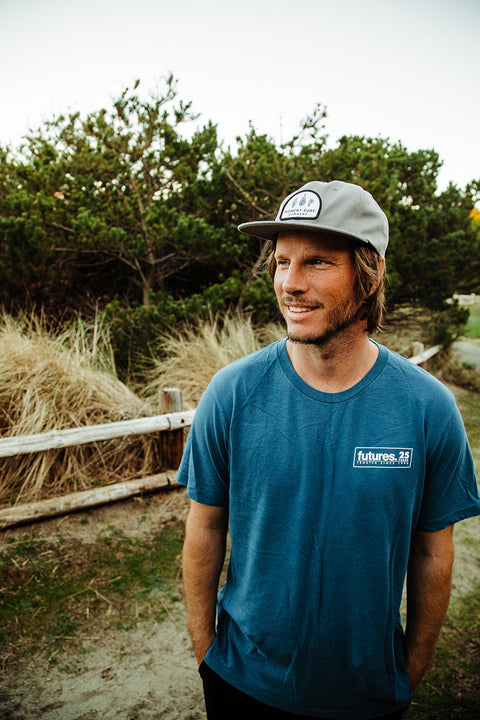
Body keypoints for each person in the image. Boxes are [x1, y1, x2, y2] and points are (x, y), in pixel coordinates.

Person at [177, 180, 480, 720]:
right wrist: (207, 654)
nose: (289, 283)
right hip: (242, 683)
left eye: (316, 262)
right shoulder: (232, 394)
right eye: (281, 261)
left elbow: (433, 550)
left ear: (369, 273)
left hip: (367, 695)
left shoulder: (427, 408)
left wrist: (411, 669)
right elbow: (205, 525)